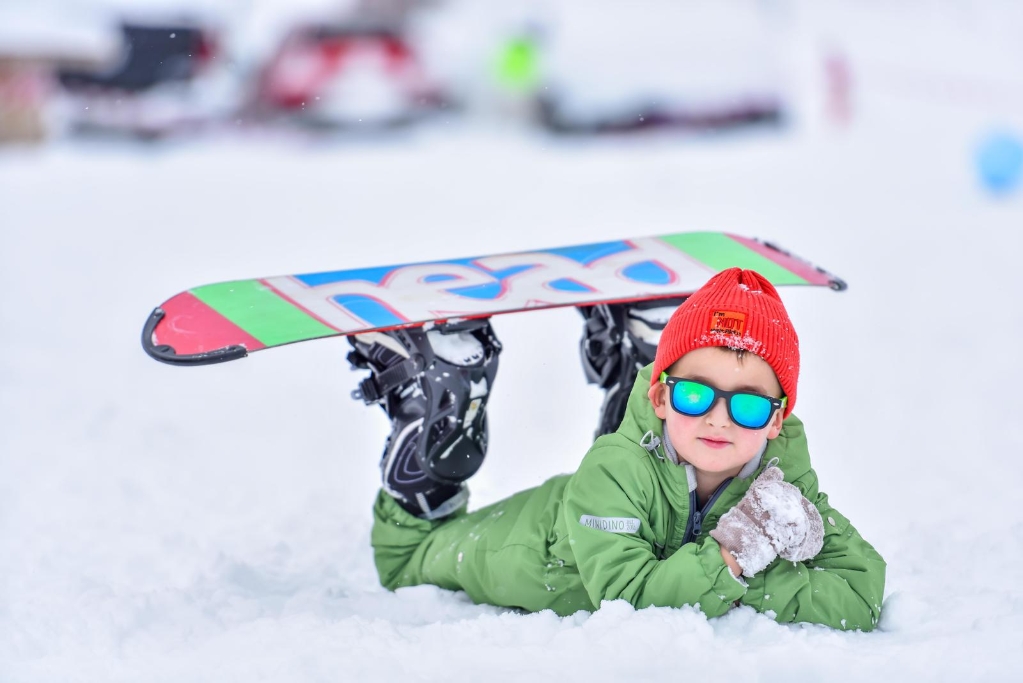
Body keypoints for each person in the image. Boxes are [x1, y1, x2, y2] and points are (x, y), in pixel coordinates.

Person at [347, 268, 886, 630]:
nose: (720, 418)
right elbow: (631, 599)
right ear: (663, 394)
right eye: (695, 395)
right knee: (409, 558)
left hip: (633, 497)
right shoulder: (612, 472)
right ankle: (433, 395)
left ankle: (639, 348)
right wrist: (737, 554)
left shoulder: (781, 482)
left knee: (658, 461)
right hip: (530, 545)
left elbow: (860, 597)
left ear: (776, 420)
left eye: (747, 406)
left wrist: (741, 567)